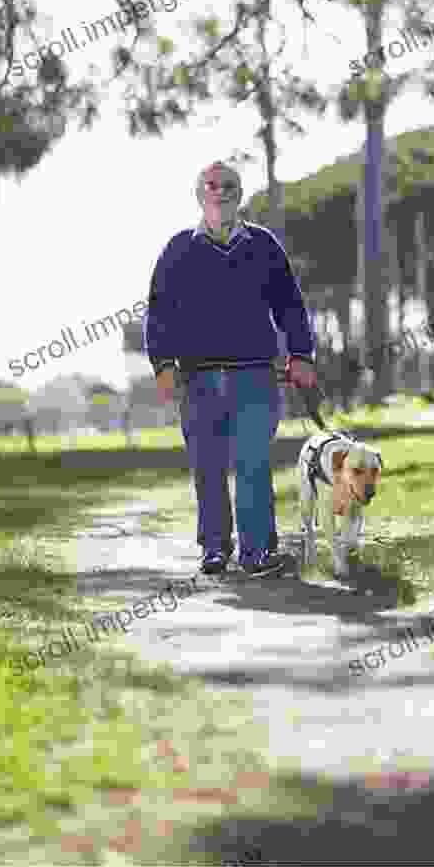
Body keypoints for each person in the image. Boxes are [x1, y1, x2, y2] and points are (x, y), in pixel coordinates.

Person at [144, 161, 318, 576]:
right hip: (197, 378)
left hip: (255, 374)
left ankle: (256, 552)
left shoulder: (264, 245)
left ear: (239, 194)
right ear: (199, 194)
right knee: (207, 464)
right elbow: (159, 312)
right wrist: (163, 365)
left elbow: (289, 305)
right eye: (211, 185)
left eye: (229, 186)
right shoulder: (178, 249)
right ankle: (215, 548)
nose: (220, 191)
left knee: (253, 462)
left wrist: (302, 355)